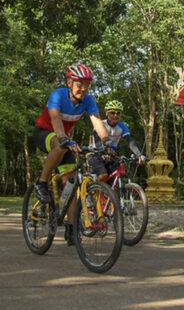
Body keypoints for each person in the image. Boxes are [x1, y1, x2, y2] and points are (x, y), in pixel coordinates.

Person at [32, 63, 113, 244]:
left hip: (64, 140)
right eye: (79, 84)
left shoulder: (88, 100)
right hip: (44, 133)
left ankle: (71, 227)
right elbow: (54, 118)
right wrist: (62, 137)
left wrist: (107, 142)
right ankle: (41, 182)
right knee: (60, 146)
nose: (83, 89)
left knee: (72, 182)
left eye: (87, 84)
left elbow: (97, 122)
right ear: (69, 82)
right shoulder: (57, 95)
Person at [89, 100, 146, 182]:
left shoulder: (122, 126)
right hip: (96, 154)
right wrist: (103, 152)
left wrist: (138, 154)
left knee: (116, 178)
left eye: (118, 113)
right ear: (107, 113)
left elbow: (129, 141)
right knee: (104, 175)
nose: (115, 115)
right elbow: (97, 140)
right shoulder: (101, 124)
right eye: (112, 112)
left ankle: (112, 194)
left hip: (111, 155)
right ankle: (92, 190)